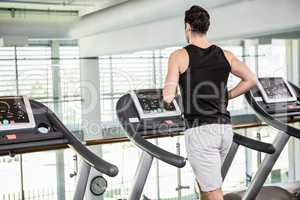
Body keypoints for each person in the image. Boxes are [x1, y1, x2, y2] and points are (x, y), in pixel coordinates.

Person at [163, 5, 257, 200]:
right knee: (207, 185)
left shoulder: (179, 56)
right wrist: (227, 95)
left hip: (201, 132)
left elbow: (168, 95)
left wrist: (168, 100)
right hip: (224, 130)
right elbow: (251, 79)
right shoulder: (225, 55)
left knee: (213, 192)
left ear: (188, 27)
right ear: (206, 28)